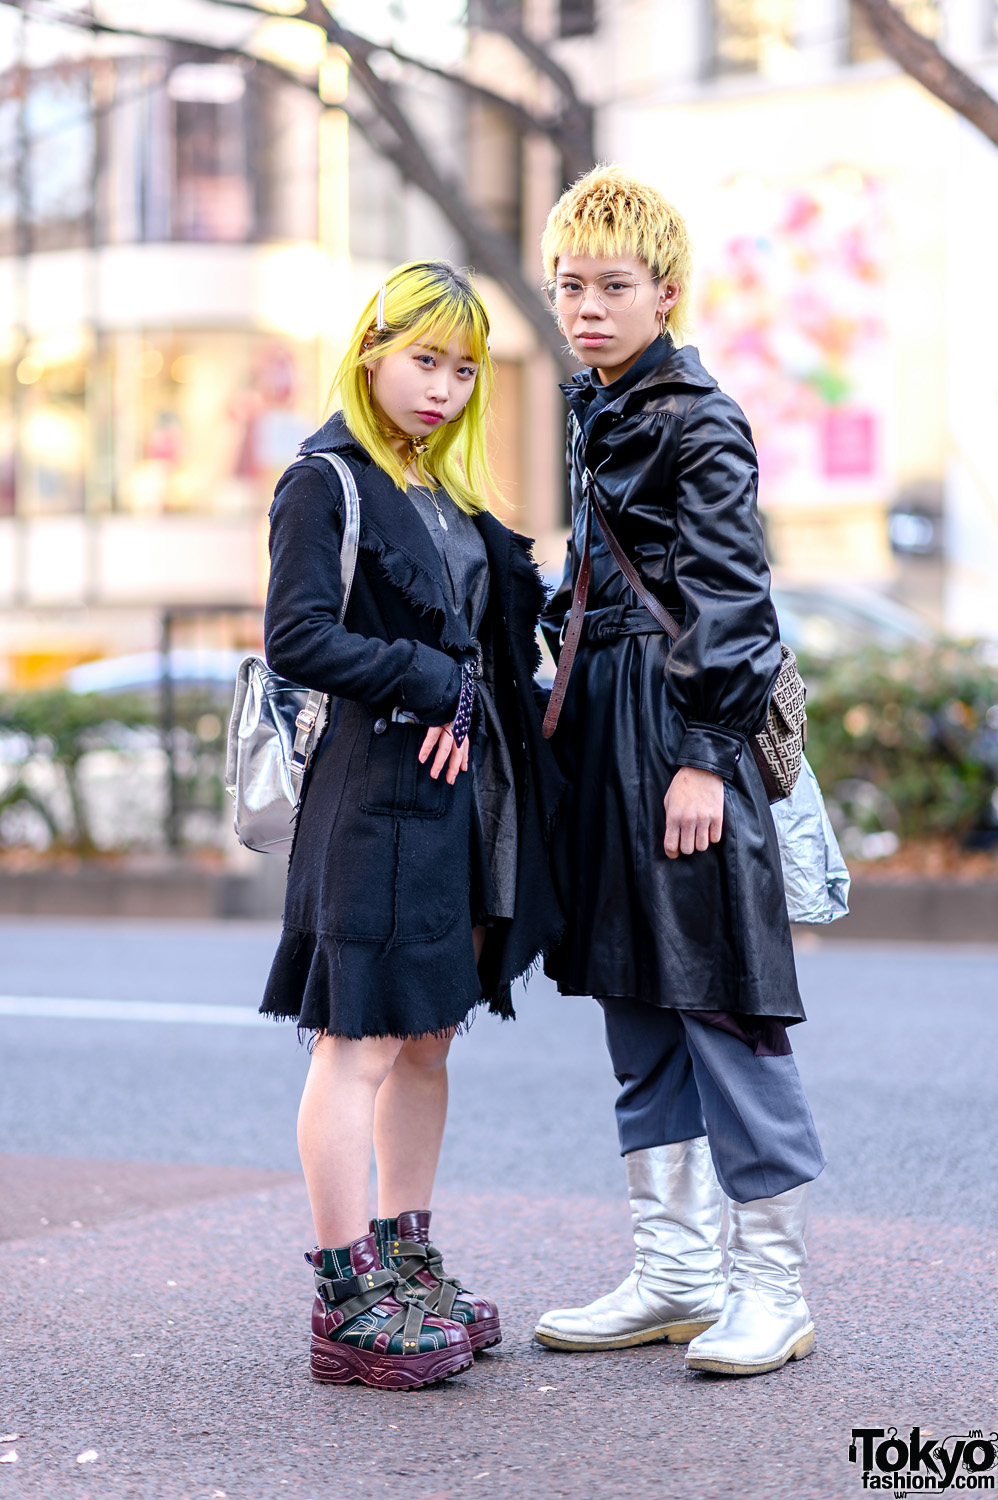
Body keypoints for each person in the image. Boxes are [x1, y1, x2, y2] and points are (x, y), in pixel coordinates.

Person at [533, 167, 826, 1378]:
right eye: (569, 285)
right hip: (604, 725)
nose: (587, 306)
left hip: (673, 725)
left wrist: (705, 757)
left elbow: (733, 601)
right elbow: (595, 578)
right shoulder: (596, 402)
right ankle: (675, 1273)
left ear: (664, 291)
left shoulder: (692, 415)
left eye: (612, 285)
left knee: (720, 993)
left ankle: (773, 1285)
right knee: (636, 993)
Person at [261, 260, 564, 1390]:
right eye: (423, 359)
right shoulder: (324, 481)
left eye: (463, 367)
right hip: (378, 792)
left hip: (462, 803)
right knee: (362, 1042)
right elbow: (297, 636)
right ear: (372, 351)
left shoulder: (445, 489)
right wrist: (428, 677)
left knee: (430, 1036)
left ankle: (406, 1265)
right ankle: (345, 1303)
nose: (443, 386)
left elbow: (495, 645)